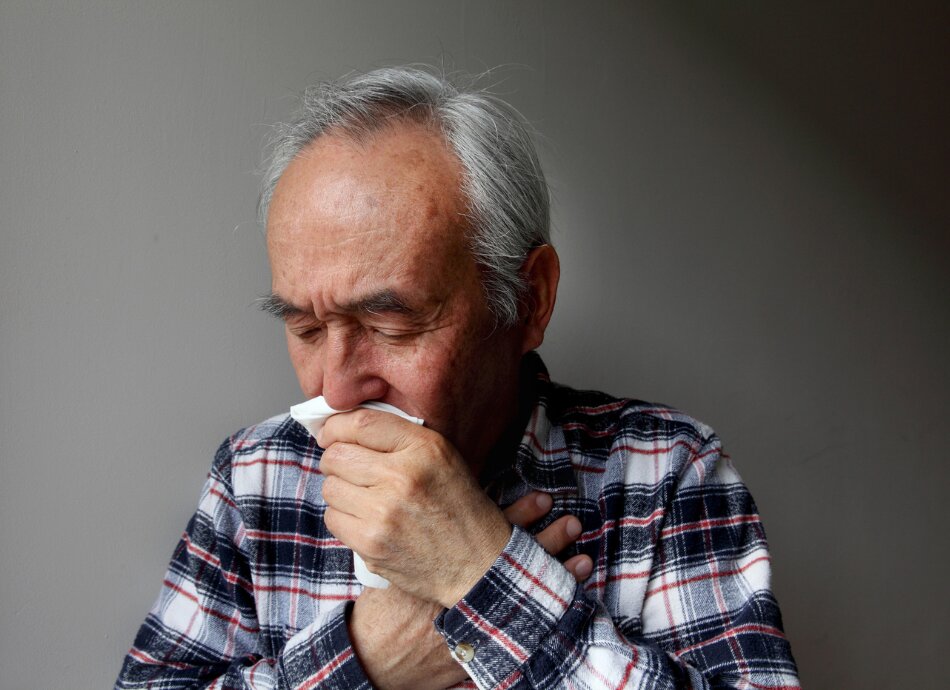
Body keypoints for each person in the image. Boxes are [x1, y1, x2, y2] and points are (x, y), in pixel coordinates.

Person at [116, 66, 799, 689]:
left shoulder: (664, 473)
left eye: (391, 323)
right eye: (306, 328)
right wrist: (369, 662)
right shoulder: (255, 477)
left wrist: (481, 576)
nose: (338, 389)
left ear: (529, 300)